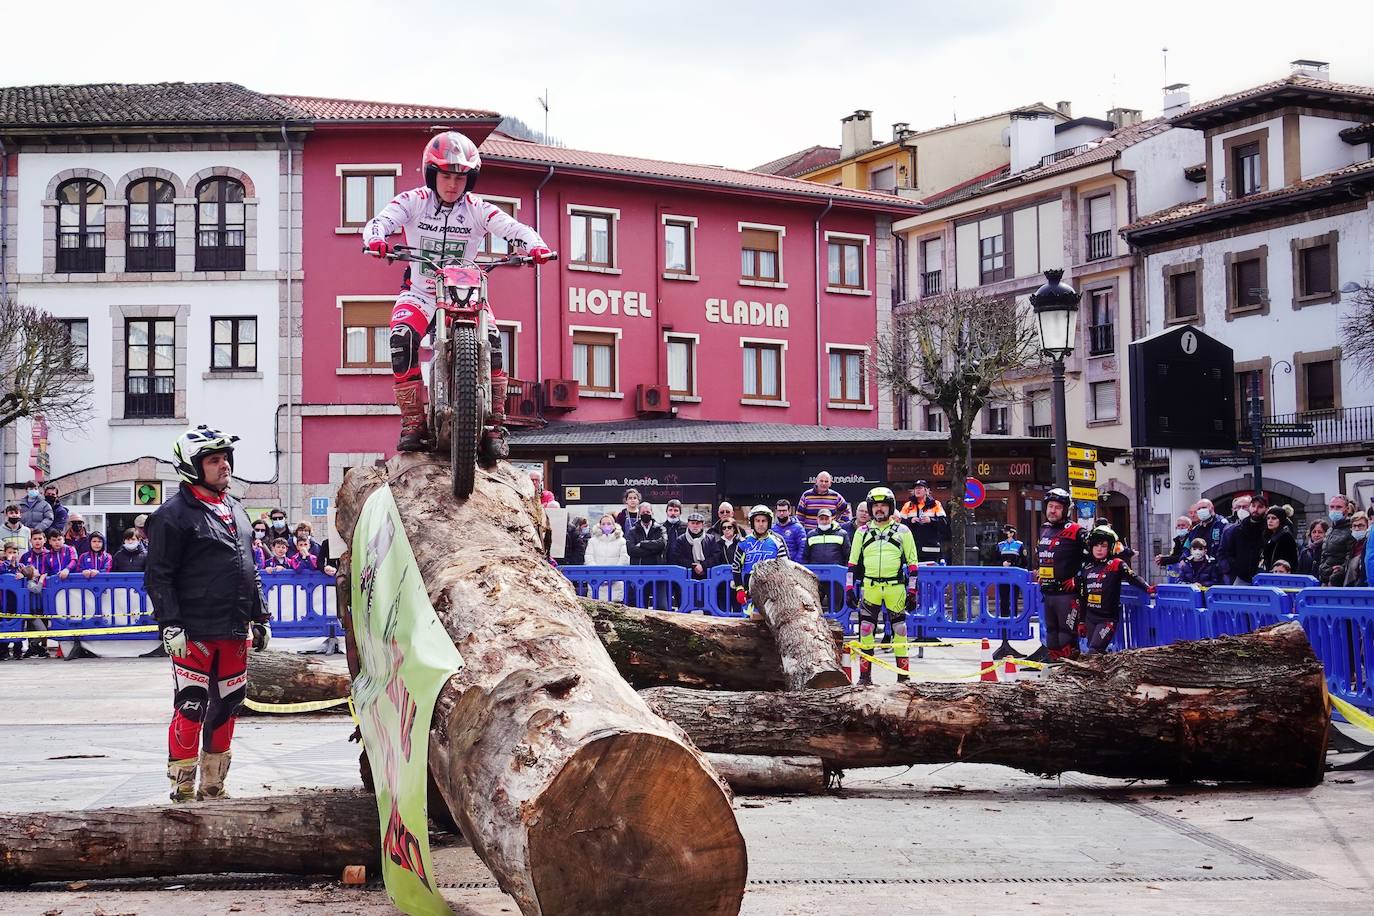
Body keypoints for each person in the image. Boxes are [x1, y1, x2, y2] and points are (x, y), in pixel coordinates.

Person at [364, 130, 553, 452]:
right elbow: (380, 221)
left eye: (461, 178)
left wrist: (536, 246)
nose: (453, 184)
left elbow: (517, 230)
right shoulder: (413, 201)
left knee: (494, 346)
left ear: (471, 179)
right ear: (431, 174)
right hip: (421, 293)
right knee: (400, 338)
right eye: (446, 176)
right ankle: (413, 422)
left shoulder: (479, 208)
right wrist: (375, 240)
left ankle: (494, 426)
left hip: (468, 296)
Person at [145, 425, 271, 802]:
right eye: (214, 460)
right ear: (191, 466)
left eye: (225, 459)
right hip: (194, 629)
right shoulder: (171, 515)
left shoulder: (235, 509)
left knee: (229, 704)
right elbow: (158, 575)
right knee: (192, 704)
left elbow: (249, 567)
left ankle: (214, 785)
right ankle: (182, 786)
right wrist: (170, 623)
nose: (224, 466)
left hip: (234, 629)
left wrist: (260, 616)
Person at [844, 487, 918, 684]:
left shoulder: (903, 531)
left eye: (883, 505)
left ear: (891, 507)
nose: (879, 509)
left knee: (900, 631)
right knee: (866, 630)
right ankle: (865, 678)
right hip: (870, 588)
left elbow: (913, 564)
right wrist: (849, 589)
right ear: (870, 508)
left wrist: (912, 591)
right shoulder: (861, 532)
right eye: (875, 505)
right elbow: (852, 563)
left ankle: (903, 678)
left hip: (896, 588)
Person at [1078, 527, 1153, 654]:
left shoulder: (1117, 564)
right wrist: (1081, 621)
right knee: (1096, 651)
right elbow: (1082, 597)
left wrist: (1147, 588)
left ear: (1110, 547)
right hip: (1090, 618)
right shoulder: (1086, 568)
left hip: (1107, 619)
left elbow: (1132, 578)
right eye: (1096, 545)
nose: (1099, 549)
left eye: (1103, 545)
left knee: (1094, 650)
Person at [1036, 487, 1087, 663]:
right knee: (1051, 633)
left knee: (1067, 635)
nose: (1052, 510)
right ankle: (1054, 671)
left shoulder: (1077, 531)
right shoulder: (1044, 529)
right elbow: (1042, 556)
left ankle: (1070, 669)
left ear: (1065, 510)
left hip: (1067, 595)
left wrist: (1078, 578)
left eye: (1057, 507)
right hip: (1048, 593)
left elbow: (1096, 558)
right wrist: (1039, 572)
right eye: (1050, 506)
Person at [732, 506, 790, 614]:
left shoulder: (777, 542)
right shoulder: (743, 543)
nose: (761, 524)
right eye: (757, 521)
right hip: (749, 592)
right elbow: (736, 567)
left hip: (772, 593)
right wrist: (739, 589)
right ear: (752, 522)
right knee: (749, 624)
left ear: (769, 522)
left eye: (764, 521)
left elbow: (784, 568)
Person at [1224, 492, 1269, 585]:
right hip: (1241, 576)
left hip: (1264, 576)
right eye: (1253, 506)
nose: (1255, 509)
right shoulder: (1238, 529)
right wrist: (1236, 567)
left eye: (1260, 507)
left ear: (1266, 509)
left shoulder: (1269, 529)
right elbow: (1228, 552)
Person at [900, 480, 948, 564]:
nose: (917, 490)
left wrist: (931, 520)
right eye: (915, 488)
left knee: (931, 575)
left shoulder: (935, 504)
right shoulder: (908, 505)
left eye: (920, 488)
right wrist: (910, 521)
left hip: (931, 549)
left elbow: (944, 523)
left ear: (926, 490)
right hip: (913, 547)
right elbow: (900, 524)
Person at [585, 514, 631, 601]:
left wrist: (612, 576)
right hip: (596, 582)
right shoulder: (592, 541)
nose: (606, 526)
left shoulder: (621, 541)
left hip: (615, 584)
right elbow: (589, 558)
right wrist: (598, 575)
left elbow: (624, 560)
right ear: (599, 525)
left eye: (609, 524)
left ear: (614, 525)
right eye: (603, 524)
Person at [669, 512, 723, 581]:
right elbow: (677, 558)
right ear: (688, 524)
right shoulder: (681, 540)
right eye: (693, 523)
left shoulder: (711, 539)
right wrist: (694, 566)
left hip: (707, 577)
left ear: (702, 525)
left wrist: (703, 566)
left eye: (698, 523)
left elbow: (716, 557)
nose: (695, 526)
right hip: (687, 578)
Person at [1319, 495, 1354, 586]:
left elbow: (1350, 558)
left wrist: (1338, 573)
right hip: (1324, 579)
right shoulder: (1330, 530)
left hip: (1337, 582)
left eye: (1338, 507)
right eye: (1332, 507)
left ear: (1346, 509)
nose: (1334, 510)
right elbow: (1324, 554)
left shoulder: (1351, 530)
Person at [626, 503, 667, 568]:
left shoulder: (660, 529)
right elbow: (631, 550)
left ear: (652, 513)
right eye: (643, 512)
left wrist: (642, 544)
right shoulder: (632, 531)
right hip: (638, 569)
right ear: (639, 514)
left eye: (648, 512)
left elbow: (662, 544)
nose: (645, 514)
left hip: (656, 569)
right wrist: (654, 550)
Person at [1261, 506, 1298, 573]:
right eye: (1268, 518)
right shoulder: (1267, 535)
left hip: (1282, 575)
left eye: (1274, 518)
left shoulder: (1286, 536)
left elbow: (1293, 561)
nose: (1270, 521)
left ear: (1281, 519)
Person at [1343, 512, 1369, 587]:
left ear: (1367, 527)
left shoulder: (1369, 545)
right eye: (1354, 526)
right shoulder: (1351, 545)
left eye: (1361, 526)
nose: (1357, 529)